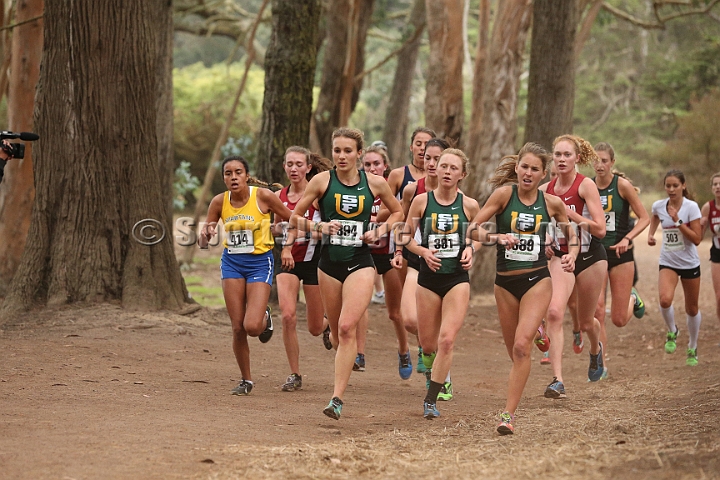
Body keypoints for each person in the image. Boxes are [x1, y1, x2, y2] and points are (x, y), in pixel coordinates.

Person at [290, 127, 403, 420]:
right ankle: (343, 352)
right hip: (328, 265)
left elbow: (399, 212)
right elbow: (293, 217)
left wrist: (378, 230)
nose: (341, 156)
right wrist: (319, 228)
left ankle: (336, 398)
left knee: (345, 327)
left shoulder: (376, 184)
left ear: (359, 154)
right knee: (340, 338)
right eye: (337, 150)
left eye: (347, 151)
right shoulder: (321, 182)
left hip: (361, 262)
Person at [470, 142, 577, 434]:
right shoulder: (504, 195)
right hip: (505, 283)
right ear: (517, 168)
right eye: (524, 167)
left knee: (520, 348)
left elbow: (572, 234)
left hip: (537, 280)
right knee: (514, 352)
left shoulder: (552, 203)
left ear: (544, 174)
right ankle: (539, 331)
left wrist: (572, 254)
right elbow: (473, 228)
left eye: (534, 169)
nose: (528, 173)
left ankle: (508, 415)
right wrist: (497, 237)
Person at [199, 156, 292, 396]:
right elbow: (203, 239)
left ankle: (264, 317)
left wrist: (282, 229)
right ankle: (246, 380)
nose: (233, 177)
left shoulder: (262, 196)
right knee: (237, 328)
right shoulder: (219, 201)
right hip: (232, 263)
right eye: (228, 174)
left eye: (237, 172)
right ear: (224, 178)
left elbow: (290, 217)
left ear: (246, 176)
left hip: (260, 262)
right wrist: (205, 234)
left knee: (251, 326)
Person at [400, 148, 480, 419]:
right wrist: (422, 252)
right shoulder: (421, 202)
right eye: (443, 166)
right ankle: (432, 366)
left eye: (453, 168)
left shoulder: (469, 205)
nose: (446, 171)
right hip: (428, 278)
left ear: (462, 174)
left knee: (447, 340)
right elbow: (406, 237)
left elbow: (478, 235)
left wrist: (471, 248)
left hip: (457, 278)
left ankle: (431, 398)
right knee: (428, 343)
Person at [540, 134, 607, 398]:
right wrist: (546, 241)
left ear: (577, 158)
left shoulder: (585, 185)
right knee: (555, 313)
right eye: (557, 155)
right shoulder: (546, 189)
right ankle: (557, 380)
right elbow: (544, 224)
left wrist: (573, 215)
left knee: (586, 322)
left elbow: (600, 229)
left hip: (590, 256)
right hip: (562, 256)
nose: (562, 159)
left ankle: (595, 350)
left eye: (567, 155)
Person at [391, 138, 455, 396]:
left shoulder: (458, 196)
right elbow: (403, 224)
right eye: (427, 158)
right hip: (416, 262)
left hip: (445, 267)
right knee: (409, 320)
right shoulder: (411, 190)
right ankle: (426, 350)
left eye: (437, 159)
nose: (431, 164)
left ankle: (441, 375)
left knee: (442, 330)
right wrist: (397, 251)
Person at [274, 147, 331, 392]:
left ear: (309, 167)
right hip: (287, 262)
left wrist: (302, 227)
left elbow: (327, 227)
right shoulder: (278, 196)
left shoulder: (317, 195)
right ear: (284, 167)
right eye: (289, 164)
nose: (293, 169)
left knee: (315, 328)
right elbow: (276, 228)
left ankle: (328, 325)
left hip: (313, 262)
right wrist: (282, 230)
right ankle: (295, 373)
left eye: (299, 164)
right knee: (287, 316)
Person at [354, 144, 411, 379]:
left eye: (376, 164)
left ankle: (404, 350)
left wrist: (397, 249)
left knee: (394, 313)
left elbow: (399, 219)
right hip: (363, 254)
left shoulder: (389, 192)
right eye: (367, 164)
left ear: (385, 166)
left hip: (387, 254)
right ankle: (359, 354)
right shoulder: (356, 190)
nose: (372, 168)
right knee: (360, 305)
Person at [591, 142, 650, 369]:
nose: (600, 165)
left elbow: (644, 218)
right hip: (596, 254)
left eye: (604, 160)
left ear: (612, 163)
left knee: (619, 319)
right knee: (597, 310)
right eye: (596, 160)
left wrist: (627, 239)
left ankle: (633, 298)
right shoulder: (587, 187)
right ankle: (601, 365)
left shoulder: (622, 186)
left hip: (620, 253)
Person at [385, 127, 435, 373]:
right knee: (405, 311)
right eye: (418, 143)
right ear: (411, 146)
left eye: (427, 143)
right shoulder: (399, 177)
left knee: (424, 304)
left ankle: (424, 350)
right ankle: (408, 348)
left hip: (435, 254)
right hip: (407, 250)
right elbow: (395, 212)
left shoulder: (447, 178)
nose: (422, 148)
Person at [648, 170, 703, 366]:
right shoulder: (659, 206)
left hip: (689, 263)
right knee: (664, 300)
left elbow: (697, 239)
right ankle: (672, 330)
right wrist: (651, 234)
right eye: (668, 186)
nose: (671, 189)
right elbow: (654, 216)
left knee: (692, 308)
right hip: (668, 261)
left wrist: (678, 221)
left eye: (675, 186)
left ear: (683, 186)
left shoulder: (691, 208)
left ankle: (693, 346)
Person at [700, 173, 720, 331]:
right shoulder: (708, 207)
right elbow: (698, 238)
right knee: (719, 296)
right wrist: (701, 225)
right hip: (717, 253)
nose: (718, 187)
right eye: (715, 184)